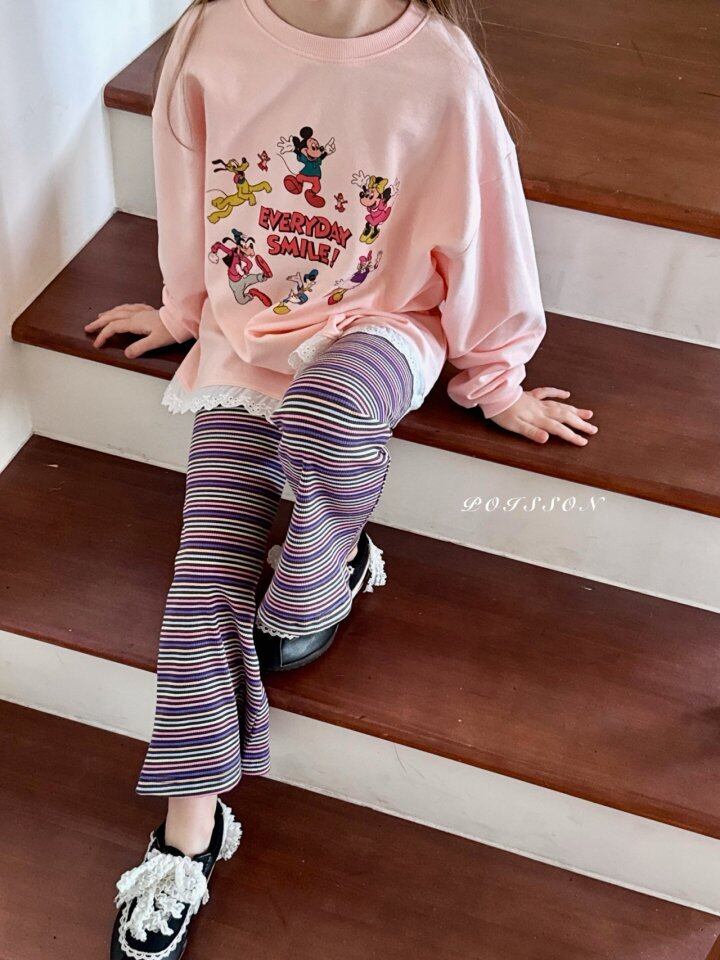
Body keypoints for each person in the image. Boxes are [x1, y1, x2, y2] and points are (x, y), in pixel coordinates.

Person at [86, 2, 597, 956]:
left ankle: (322, 574)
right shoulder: (215, 32)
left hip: (386, 326)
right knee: (204, 568)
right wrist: (185, 311)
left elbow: (485, 231)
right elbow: (189, 186)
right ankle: (190, 833)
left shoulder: (441, 69)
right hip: (250, 334)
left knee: (326, 414)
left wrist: (496, 379)